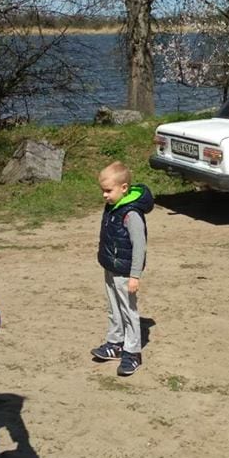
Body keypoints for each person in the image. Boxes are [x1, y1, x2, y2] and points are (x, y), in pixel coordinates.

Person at [90, 161, 154, 376]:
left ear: (124, 188)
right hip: (111, 267)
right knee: (114, 308)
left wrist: (135, 275)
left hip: (126, 272)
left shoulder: (131, 214)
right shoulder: (113, 206)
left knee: (128, 311)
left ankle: (132, 352)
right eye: (102, 191)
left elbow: (139, 247)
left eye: (108, 191)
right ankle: (115, 343)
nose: (104, 196)